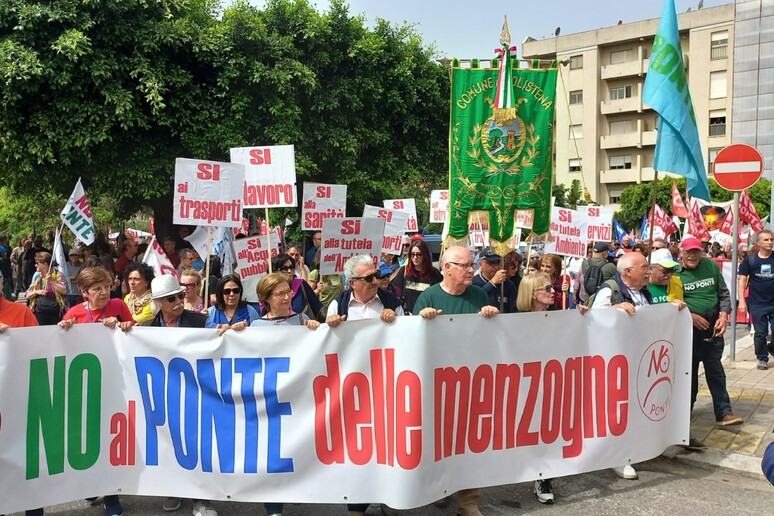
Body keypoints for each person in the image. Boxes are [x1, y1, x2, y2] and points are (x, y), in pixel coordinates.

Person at [414, 246, 499, 516]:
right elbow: (412, 342)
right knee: (438, 442)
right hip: (437, 383)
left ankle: (468, 501)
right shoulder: (428, 297)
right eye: (464, 265)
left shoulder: (478, 294)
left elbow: (495, 337)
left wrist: (491, 315)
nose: (471, 270)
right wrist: (421, 321)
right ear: (447, 267)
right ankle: (440, 488)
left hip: (471, 382)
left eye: (472, 265)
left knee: (467, 442)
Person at [325, 255, 402, 516]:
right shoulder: (340, 303)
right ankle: (356, 503)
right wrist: (331, 326)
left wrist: (397, 323)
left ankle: (388, 498)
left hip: (385, 382)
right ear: (352, 282)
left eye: (377, 275)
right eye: (368, 278)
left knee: (387, 441)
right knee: (356, 445)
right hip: (352, 386)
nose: (375, 281)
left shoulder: (391, 301)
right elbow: (327, 346)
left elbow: (407, 339)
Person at [58, 267, 132, 516]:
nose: (103, 292)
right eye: (97, 288)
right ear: (84, 292)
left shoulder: (118, 306)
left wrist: (122, 325)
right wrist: (64, 329)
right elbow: (61, 345)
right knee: (89, 440)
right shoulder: (75, 313)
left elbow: (133, 331)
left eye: (107, 287)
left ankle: (111, 496)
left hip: (115, 383)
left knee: (110, 439)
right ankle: (91, 483)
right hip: (86, 387)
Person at [143, 275, 217, 516]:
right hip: (165, 396)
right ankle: (173, 489)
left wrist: (227, 332)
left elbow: (219, 345)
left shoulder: (200, 321)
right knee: (169, 443)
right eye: (171, 298)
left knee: (197, 444)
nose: (178, 301)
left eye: (180, 296)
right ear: (158, 302)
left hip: (197, 393)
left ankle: (201, 497)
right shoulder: (146, 330)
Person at [588, 252, 653, 480]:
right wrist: (615, 311)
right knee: (617, 410)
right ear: (627, 272)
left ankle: (631, 449)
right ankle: (617, 456)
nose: (648, 270)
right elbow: (593, 319)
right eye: (644, 267)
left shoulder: (644, 292)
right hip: (615, 361)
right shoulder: (610, 290)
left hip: (637, 359)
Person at [677, 236, 743, 427]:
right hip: (687, 330)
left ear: (702, 252)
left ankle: (724, 412)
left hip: (713, 327)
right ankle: (683, 415)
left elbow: (723, 293)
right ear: (681, 252)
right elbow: (668, 301)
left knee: (715, 370)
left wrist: (724, 316)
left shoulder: (711, 267)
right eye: (688, 252)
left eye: (696, 251)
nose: (692, 255)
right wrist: (689, 315)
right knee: (688, 372)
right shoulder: (673, 272)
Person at [0, 269, 43, 516]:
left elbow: (40, 350)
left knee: (27, 465)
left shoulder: (21, 312)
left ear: (2, 282)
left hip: (21, 404)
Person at [737, 229, 774, 370]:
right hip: (757, 303)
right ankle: (762, 358)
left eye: (771, 239)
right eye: (766, 240)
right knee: (760, 333)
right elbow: (741, 281)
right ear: (758, 243)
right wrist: (741, 301)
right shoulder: (750, 260)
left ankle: (772, 348)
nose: (770, 242)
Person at [390, 239, 443, 314]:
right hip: (407, 317)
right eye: (412, 254)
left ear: (425, 255)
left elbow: (439, 295)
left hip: (427, 317)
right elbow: (395, 293)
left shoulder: (434, 273)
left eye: (419, 254)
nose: (415, 257)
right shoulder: (403, 271)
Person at [266, 253, 323, 321]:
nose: (290, 271)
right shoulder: (268, 289)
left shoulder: (301, 285)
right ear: (274, 271)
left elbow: (319, 309)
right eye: (285, 269)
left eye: (291, 267)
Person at [26, 252, 66, 325]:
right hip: (40, 312)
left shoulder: (58, 275)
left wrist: (51, 281)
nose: (35, 265)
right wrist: (36, 292)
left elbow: (64, 291)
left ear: (45, 264)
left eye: (37, 263)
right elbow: (28, 295)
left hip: (56, 312)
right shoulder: (37, 277)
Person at [472, 247, 517, 313]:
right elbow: (476, 298)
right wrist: (492, 283)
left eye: (498, 262)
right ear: (480, 264)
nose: (496, 267)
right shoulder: (474, 282)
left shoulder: (508, 284)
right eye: (491, 263)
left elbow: (513, 308)